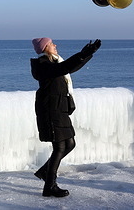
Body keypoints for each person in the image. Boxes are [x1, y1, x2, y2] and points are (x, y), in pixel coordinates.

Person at [30, 38, 101, 197]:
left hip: (59, 109)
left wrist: (88, 54)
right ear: (45, 47)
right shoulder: (43, 64)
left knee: (70, 143)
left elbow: (70, 66)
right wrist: (83, 53)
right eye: (52, 43)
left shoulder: (55, 62)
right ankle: (50, 185)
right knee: (60, 147)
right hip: (50, 110)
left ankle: (45, 172)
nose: (55, 45)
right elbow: (65, 67)